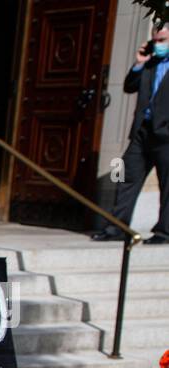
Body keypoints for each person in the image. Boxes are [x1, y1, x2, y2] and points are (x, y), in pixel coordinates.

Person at [93, 21, 169, 244]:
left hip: (166, 136)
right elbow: (129, 86)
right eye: (154, 40)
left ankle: (164, 232)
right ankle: (116, 228)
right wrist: (138, 63)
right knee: (125, 175)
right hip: (141, 133)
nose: (157, 45)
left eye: (162, 40)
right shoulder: (150, 63)